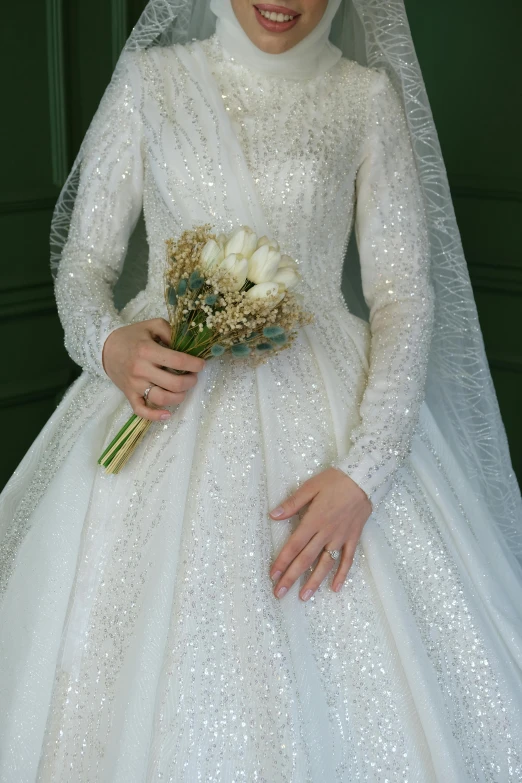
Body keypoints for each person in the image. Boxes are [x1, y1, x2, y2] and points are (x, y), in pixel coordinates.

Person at [1, 0, 522, 779]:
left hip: (328, 405)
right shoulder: (153, 80)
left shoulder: (365, 97)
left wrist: (366, 470)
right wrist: (108, 346)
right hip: (163, 390)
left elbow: (403, 293)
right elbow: (82, 266)